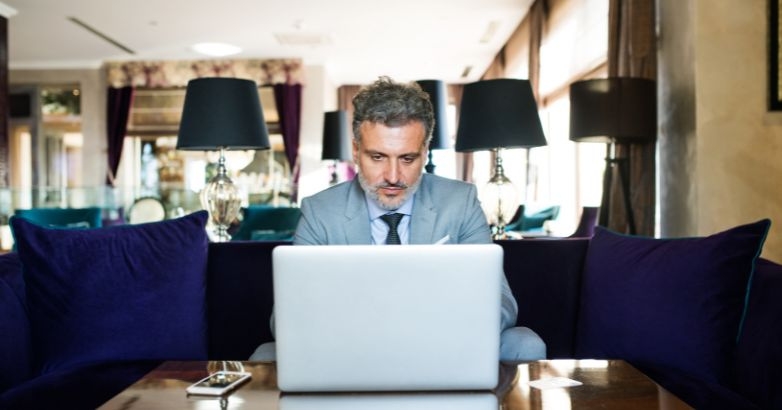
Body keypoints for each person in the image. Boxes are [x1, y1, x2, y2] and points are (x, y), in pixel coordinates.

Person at [250, 76, 545, 361]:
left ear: (424, 151)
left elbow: (502, 303)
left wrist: (430, 328)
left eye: (407, 158)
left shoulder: (460, 201)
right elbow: (287, 316)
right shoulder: (320, 211)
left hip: (441, 343)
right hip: (349, 348)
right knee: (266, 354)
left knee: (525, 343)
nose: (393, 176)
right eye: (377, 157)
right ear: (355, 150)